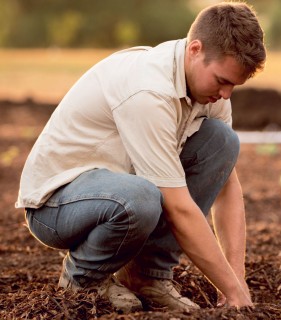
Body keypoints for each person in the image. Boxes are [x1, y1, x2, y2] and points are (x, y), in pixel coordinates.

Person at [15, 1, 266, 313]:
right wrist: (229, 288)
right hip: (55, 204)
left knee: (222, 141)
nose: (226, 94)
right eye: (222, 81)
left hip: (118, 190)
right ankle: (83, 278)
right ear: (195, 50)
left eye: (233, 85)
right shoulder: (149, 91)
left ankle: (146, 276)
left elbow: (227, 188)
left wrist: (237, 282)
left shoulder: (208, 92)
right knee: (143, 197)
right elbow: (178, 208)